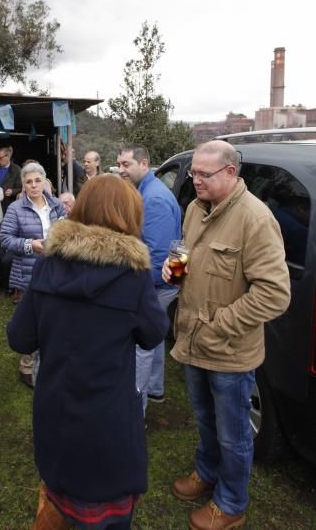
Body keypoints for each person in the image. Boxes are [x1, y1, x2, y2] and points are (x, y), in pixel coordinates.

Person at [7, 174, 170, 530]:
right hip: (107, 417)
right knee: (104, 512)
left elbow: (20, 338)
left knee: (59, 492)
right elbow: (153, 334)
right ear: (129, 215)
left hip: (56, 405)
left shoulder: (49, 263)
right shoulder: (133, 274)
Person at [162, 140, 290, 530]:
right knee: (204, 419)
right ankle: (207, 472)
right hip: (192, 341)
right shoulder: (195, 209)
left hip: (229, 352)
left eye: (204, 174)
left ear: (231, 173)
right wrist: (175, 269)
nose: (194, 180)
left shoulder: (256, 219)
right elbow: (186, 252)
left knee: (233, 434)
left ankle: (231, 502)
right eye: (193, 173)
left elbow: (275, 294)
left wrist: (218, 327)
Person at [117, 144, 181, 413]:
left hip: (158, 282)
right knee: (153, 336)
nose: (121, 170)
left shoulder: (153, 198)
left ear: (144, 164)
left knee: (141, 342)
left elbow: (157, 254)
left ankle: (136, 408)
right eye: (119, 164)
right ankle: (154, 389)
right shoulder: (147, 191)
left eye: (126, 165)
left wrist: (142, 288)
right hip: (163, 280)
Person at [0, 161, 66, 385]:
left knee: (52, 317)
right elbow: (5, 239)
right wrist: (31, 245)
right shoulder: (15, 209)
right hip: (28, 272)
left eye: (38, 180)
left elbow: (66, 231)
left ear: (45, 181)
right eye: (29, 182)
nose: (34, 185)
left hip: (55, 271)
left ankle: (47, 361)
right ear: (23, 185)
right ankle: (27, 367)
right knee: (30, 319)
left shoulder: (56, 204)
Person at [0, 146, 22, 214]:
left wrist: (12, 191)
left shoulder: (17, 169)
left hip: (8, 204)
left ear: (8, 157)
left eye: (0, 158)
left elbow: (21, 187)